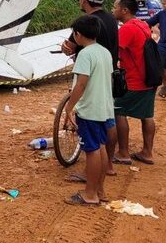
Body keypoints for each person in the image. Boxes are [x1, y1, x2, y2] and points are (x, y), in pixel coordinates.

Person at [61, 0, 119, 181]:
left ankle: (90, 181)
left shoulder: (85, 24)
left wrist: (70, 107)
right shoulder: (111, 19)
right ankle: (108, 166)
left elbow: (80, 83)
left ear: (84, 0)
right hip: (107, 76)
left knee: (92, 145)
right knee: (107, 127)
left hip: (90, 82)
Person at [64, 15, 115, 206]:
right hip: (104, 108)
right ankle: (99, 190)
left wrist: (69, 107)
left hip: (90, 110)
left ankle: (90, 194)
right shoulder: (105, 52)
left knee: (92, 150)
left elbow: (81, 84)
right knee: (100, 147)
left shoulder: (85, 54)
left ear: (77, 35)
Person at [110, 0, 157, 165]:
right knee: (147, 115)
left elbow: (114, 52)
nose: (112, 10)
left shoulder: (127, 29)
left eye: (115, 7)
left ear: (124, 11)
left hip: (133, 80)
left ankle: (123, 152)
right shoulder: (142, 24)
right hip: (149, 78)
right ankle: (147, 152)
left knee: (119, 112)